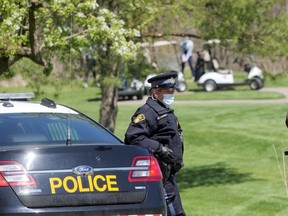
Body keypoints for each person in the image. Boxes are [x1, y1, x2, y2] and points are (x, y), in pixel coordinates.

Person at [124, 71, 186, 216]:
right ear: (156, 91)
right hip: (160, 174)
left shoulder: (164, 109)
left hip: (169, 173)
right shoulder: (147, 112)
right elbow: (133, 137)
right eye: (168, 91)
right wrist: (159, 149)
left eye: (173, 90)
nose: (172, 94)